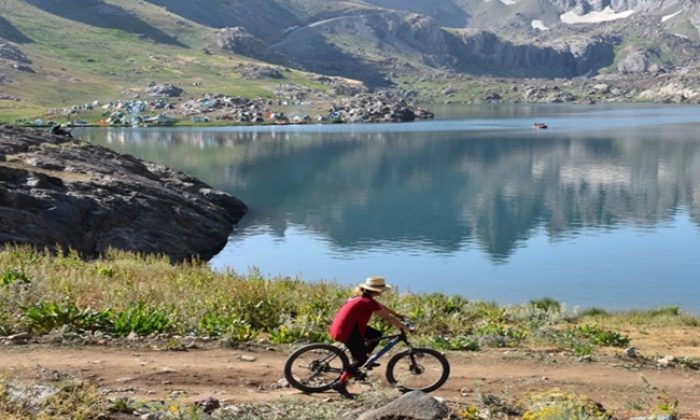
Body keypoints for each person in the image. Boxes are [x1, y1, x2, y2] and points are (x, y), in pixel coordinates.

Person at [328, 276, 413, 398]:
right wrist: (405, 328)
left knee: (376, 335)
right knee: (360, 360)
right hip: (347, 331)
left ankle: (363, 360)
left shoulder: (362, 298)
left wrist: (398, 315)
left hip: (346, 327)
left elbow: (382, 307)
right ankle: (340, 383)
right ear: (377, 290)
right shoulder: (366, 301)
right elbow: (387, 317)